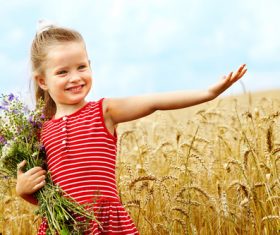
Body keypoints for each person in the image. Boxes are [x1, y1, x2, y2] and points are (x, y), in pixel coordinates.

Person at [15, 22, 247, 235]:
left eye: (81, 67)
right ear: (43, 81)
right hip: (63, 227)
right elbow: (46, 196)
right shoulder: (39, 132)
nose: (75, 77)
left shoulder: (103, 111)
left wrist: (208, 93)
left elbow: (154, 102)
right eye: (62, 72)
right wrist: (23, 190)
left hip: (107, 224)